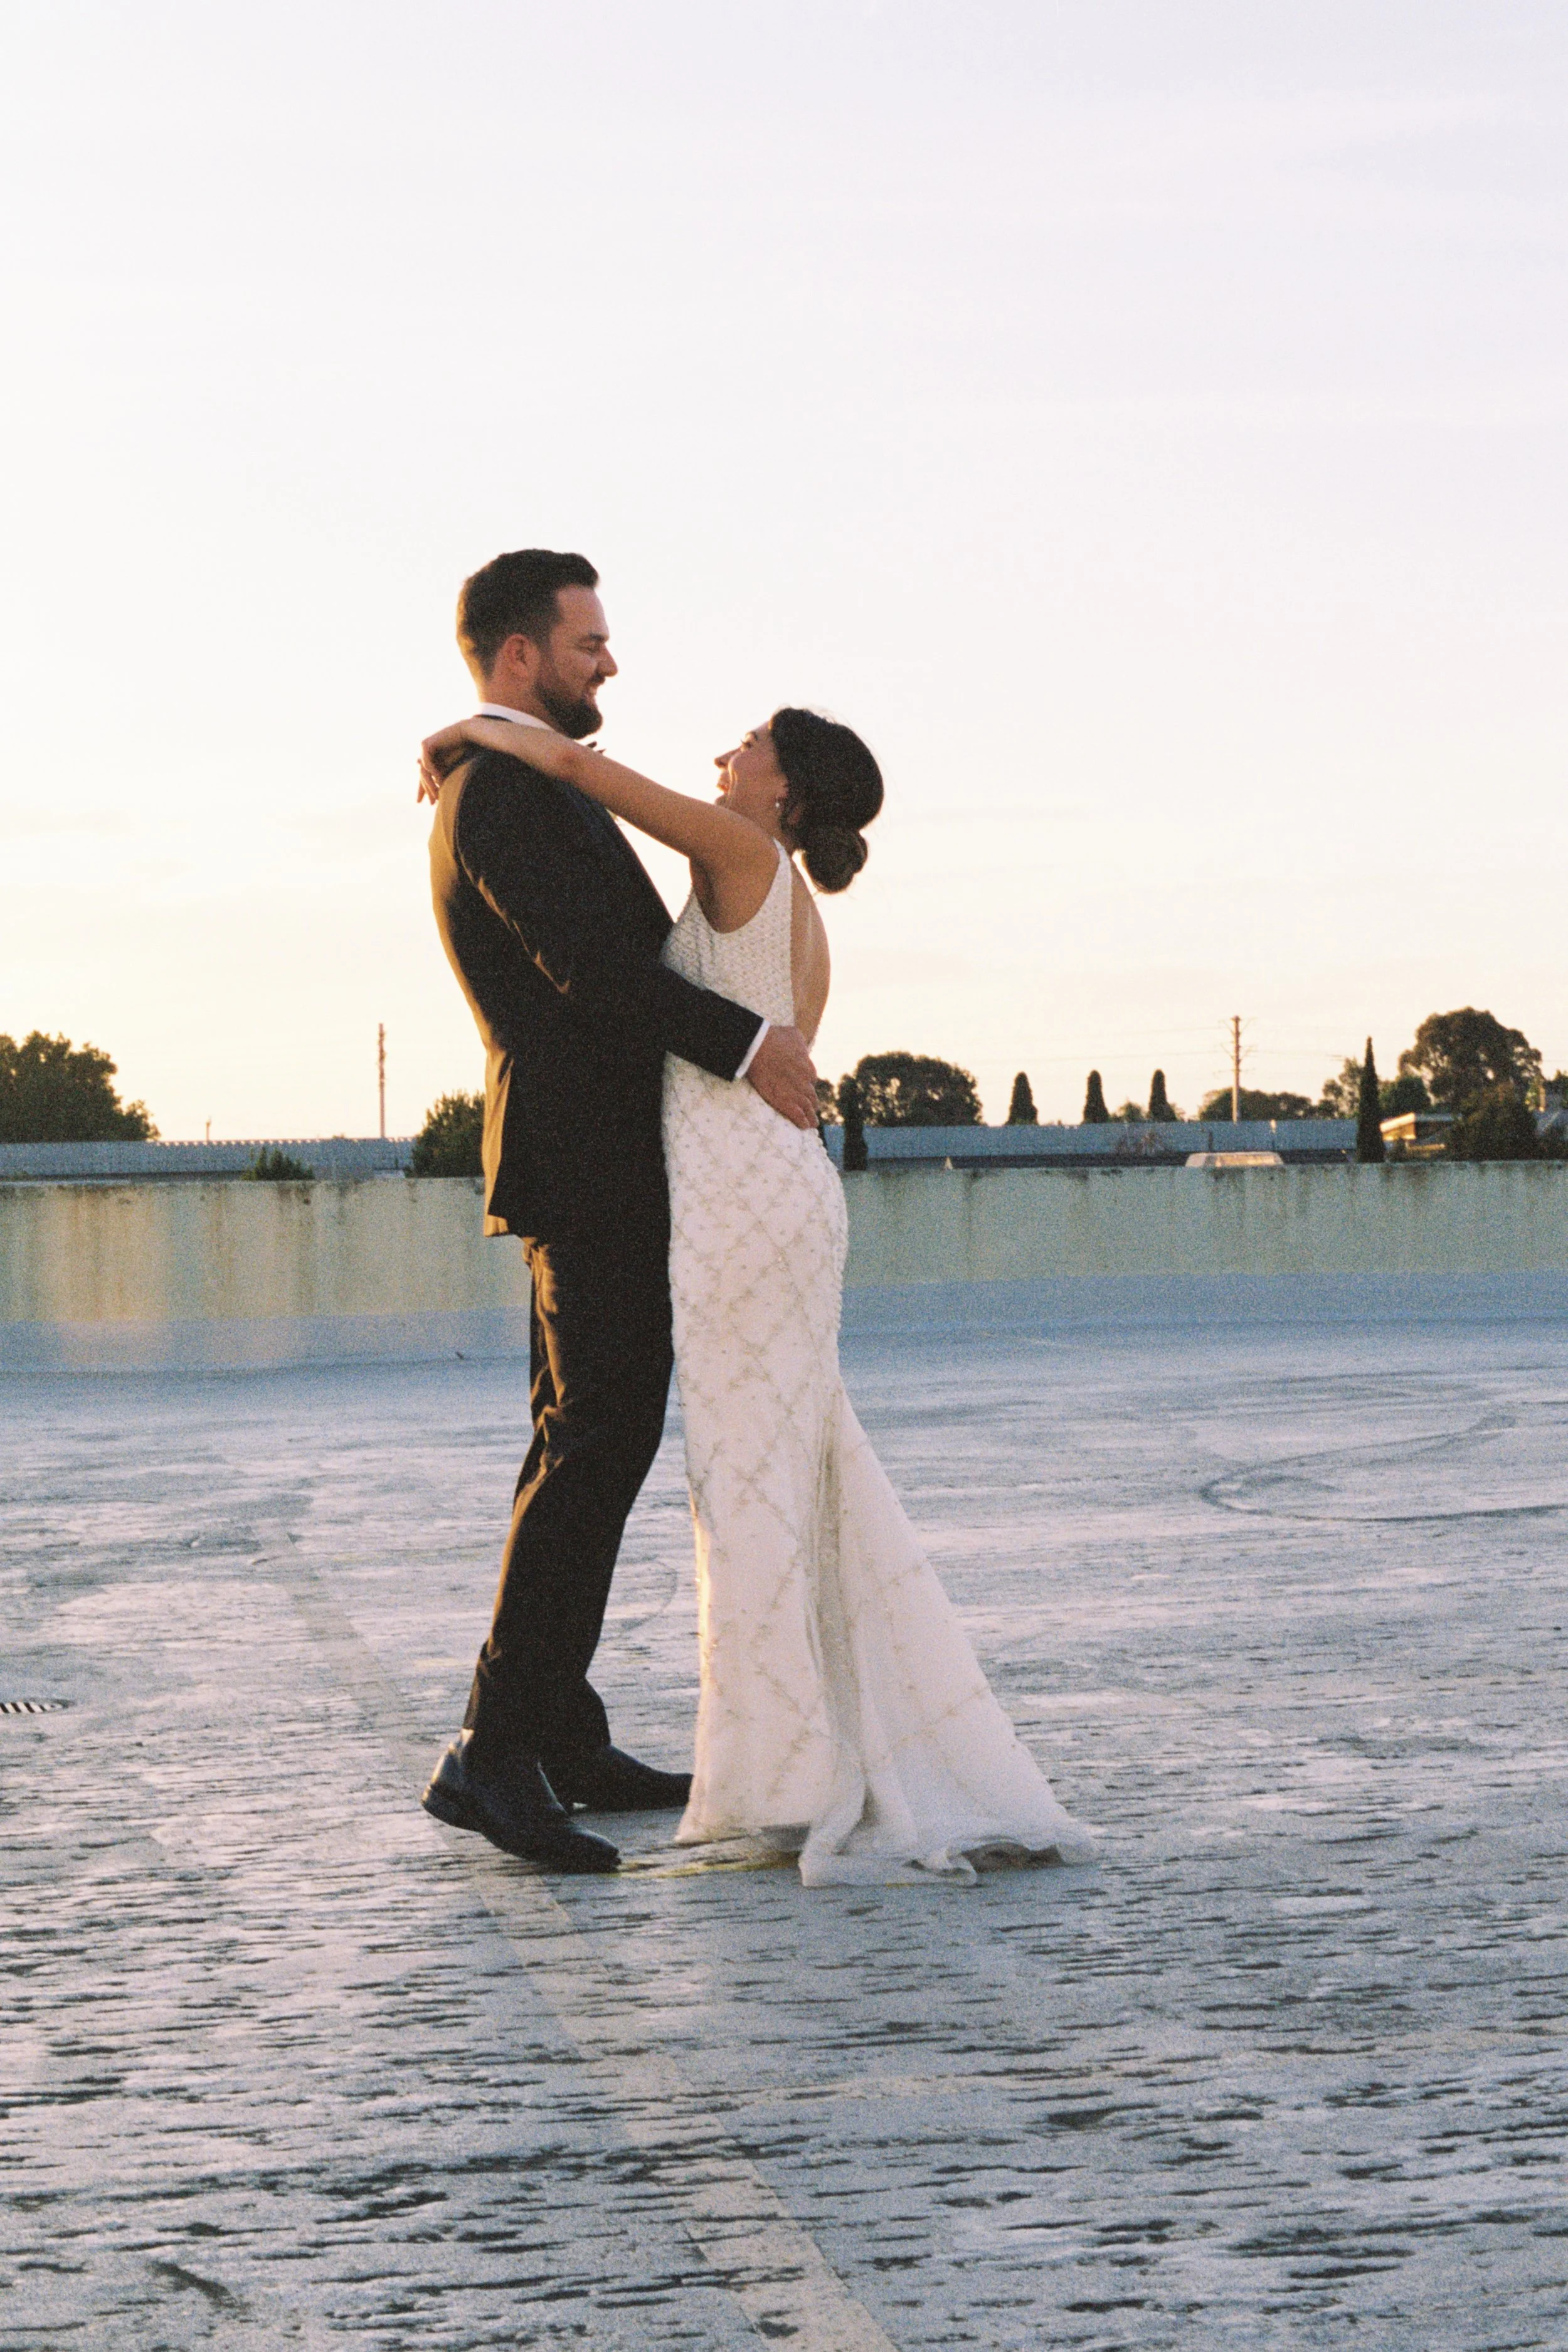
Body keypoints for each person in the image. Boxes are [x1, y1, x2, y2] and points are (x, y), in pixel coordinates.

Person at [419, 697, 1093, 1885]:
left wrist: (474, 725)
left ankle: (782, 1766)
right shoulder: (779, 883)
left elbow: (580, 768)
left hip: (741, 1204)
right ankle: (761, 1751)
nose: (725, 752)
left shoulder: (737, 849)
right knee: (765, 1472)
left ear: (782, 790)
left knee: (743, 1481)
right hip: (760, 1198)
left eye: (750, 744)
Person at [419, 549, 820, 1875]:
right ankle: (493, 1750)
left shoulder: (514, 780)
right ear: (520, 656)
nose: (610, 661)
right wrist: (744, 1042)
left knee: (578, 1439)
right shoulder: (499, 797)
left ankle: (559, 1732)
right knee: (595, 1440)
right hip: (582, 1159)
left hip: (593, 1154)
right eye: (588, 641)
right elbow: (587, 971)